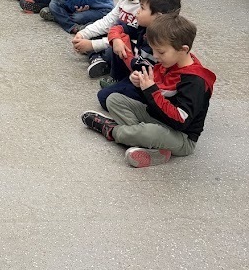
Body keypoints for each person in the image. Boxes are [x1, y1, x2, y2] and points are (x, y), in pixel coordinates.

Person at [81, 14, 216, 168]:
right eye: (153, 51)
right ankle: (149, 148)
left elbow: (180, 121)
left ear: (183, 49)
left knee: (150, 132)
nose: (156, 57)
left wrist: (151, 90)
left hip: (182, 138)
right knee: (114, 99)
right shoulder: (166, 64)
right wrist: (140, 86)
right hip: (158, 119)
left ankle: (111, 129)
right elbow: (151, 103)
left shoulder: (195, 80)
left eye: (161, 52)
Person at [71, 0, 163, 78]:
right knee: (87, 28)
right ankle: (96, 56)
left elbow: (130, 41)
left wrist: (92, 45)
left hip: (129, 45)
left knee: (112, 51)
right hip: (116, 35)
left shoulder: (146, 12)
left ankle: (96, 57)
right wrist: (84, 34)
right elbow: (109, 21)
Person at [96, 0, 181, 108]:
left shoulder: (161, 44)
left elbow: (140, 68)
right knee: (118, 42)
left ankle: (140, 106)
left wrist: (124, 46)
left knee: (103, 97)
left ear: (158, 17)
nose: (137, 12)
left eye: (142, 8)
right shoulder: (143, 26)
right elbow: (117, 28)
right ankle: (117, 79)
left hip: (145, 80)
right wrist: (116, 39)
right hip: (136, 67)